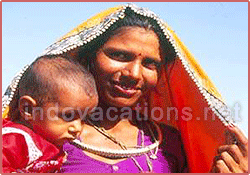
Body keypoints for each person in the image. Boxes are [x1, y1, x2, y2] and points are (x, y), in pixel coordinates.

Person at [2, 3, 248, 173]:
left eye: (150, 63)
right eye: (119, 55)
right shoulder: (44, 135)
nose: (133, 73)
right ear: (88, 57)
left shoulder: (170, 142)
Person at [2, 56, 98, 173]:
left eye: (84, 118)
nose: (77, 128)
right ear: (28, 109)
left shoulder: (52, 142)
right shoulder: (14, 140)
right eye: (68, 116)